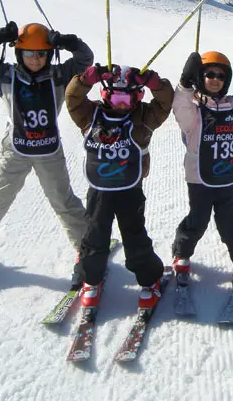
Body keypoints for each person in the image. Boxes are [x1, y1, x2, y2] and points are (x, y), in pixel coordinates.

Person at [0, 22, 93, 284]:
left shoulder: (59, 75)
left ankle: (87, 248)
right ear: (19, 53)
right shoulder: (5, 75)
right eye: (29, 53)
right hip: (15, 150)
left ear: (50, 53)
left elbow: (85, 60)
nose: (36, 59)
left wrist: (70, 41)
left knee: (63, 201)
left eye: (42, 53)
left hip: (48, 150)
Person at [65, 63, 174, 309]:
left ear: (138, 96)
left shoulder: (143, 117)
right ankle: (90, 280)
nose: (122, 104)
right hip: (99, 191)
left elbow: (166, 103)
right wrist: (85, 79)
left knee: (135, 236)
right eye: (116, 96)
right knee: (94, 235)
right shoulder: (90, 115)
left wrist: (155, 82)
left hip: (129, 191)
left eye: (128, 97)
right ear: (105, 94)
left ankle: (149, 280)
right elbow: (72, 98)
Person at [170, 50, 233, 281]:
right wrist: (186, 83)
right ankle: (181, 255)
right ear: (200, 78)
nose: (215, 80)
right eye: (209, 74)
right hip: (199, 178)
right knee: (197, 220)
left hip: (227, 177)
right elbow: (179, 106)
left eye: (220, 76)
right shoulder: (194, 111)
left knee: (228, 222)